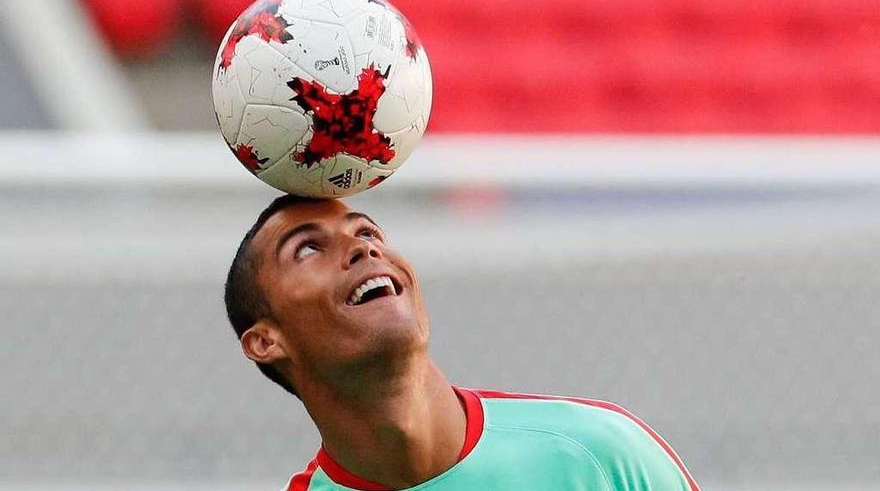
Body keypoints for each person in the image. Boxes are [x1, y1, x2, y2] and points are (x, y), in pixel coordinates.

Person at [224, 194, 701, 491]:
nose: (365, 249)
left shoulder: (601, 454)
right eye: (309, 248)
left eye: (368, 231)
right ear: (266, 340)